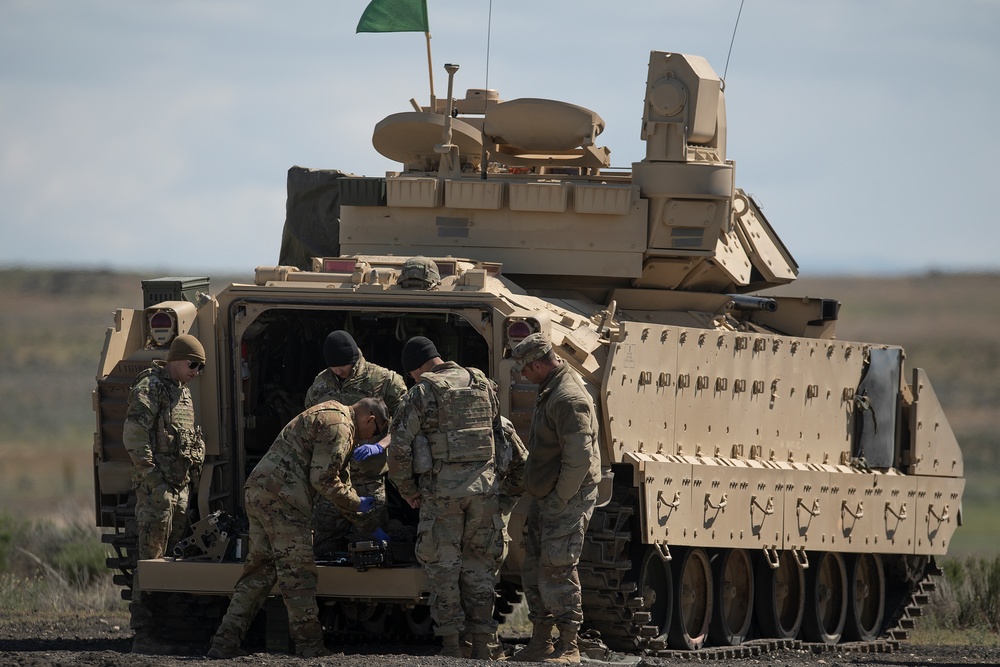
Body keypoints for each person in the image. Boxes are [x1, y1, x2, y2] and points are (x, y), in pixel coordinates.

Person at [207, 397, 388, 659]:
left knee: (260, 573)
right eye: (377, 432)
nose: (373, 438)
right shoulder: (340, 426)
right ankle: (310, 647)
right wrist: (356, 503)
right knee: (299, 576)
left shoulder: (331, 414)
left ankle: (224, 641)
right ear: (370, 419)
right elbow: (324, 479)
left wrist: (368, 525)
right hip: (285, 499)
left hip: (260, 491)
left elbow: (339, 484)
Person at [387, 336, 505, 659]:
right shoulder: (482, 383)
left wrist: (408, 491)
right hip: (483, 493)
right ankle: (481, 647)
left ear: (417, 367)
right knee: (480, 568)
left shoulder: (421, 393)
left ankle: (453, 649)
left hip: (443, 496)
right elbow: (500, 437)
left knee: (443, 568)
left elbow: (397, 451)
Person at [510, 333, 601, 664]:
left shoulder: (567, 398)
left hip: (566, 498)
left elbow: (580, 460)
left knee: (557, 569)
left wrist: (559, 501)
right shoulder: (550, 389)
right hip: (547, 497)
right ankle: (542, 642)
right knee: (534, 568)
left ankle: (569, 646)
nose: (522, 377)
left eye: (524, 370)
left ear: (536, 365)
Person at [122, 333, 207, 654]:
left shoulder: (182, 393)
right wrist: (152, 477)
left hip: (179, 487)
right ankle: (144, 633)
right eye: (193, 365)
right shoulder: (150, 387)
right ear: (176, 359)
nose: (197, 372)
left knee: (172, 559)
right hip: (157, 489)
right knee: (150, 559)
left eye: (201, 368)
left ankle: (167, 628)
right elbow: (134, 435)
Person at [305, 330, 406, 555]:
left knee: (370, 546)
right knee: (325, 545)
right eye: (334, 367)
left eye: (343, 367)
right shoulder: (320, 385)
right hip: (331, 481)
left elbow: (407, 424)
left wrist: (382, 444)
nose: (339, 372)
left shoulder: (384, 380)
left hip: (368, 478)